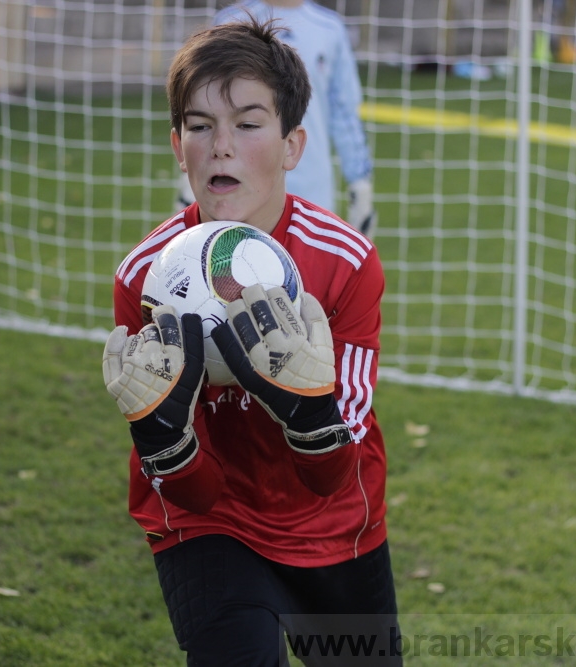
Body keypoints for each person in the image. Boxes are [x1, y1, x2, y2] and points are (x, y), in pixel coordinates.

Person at [103, 16, 400, 665]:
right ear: (178, 146)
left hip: (333, 525)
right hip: (211, 524)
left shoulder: (345, 262)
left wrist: (309, 412)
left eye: (247, 122)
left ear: (294, 145)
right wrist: (165, 439)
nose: (221, 146)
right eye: (200, 125)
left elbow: (331, 472)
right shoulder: (145, 276)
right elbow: (194, 495)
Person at [175, 0, 378, 239]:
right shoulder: (230, 22)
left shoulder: (330, 29)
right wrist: (188, 187)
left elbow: (344, 113)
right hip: (234, 185)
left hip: (313, 183)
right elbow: (201, 110)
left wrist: (359, 183)